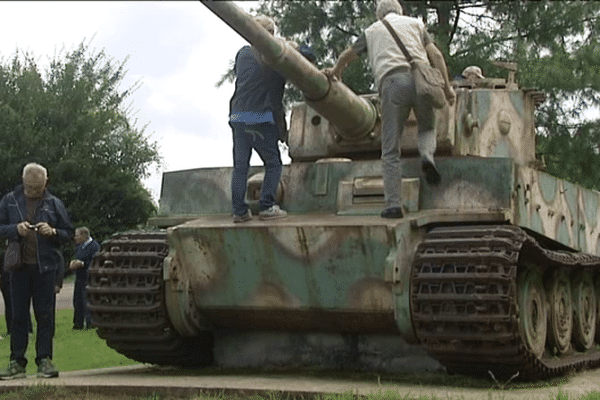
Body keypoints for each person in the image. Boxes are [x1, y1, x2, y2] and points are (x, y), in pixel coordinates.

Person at [324, 0, 456, 219]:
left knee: (390, 148)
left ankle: (394, 204)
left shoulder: (372, 30)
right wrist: (448, 88)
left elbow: (348, 55)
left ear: (379, 15)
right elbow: (437, 56)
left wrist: (337, 71)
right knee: (426, 126)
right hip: (422, 79)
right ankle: (427, 156)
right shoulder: (415, 24)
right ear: (400, 11)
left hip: (392, 82)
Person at [0, 163, 74, 379]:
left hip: (46, 267)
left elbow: (68, 232)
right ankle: (16, 361)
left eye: (38, 187)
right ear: (23, 182)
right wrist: (14, 229)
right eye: (30, 187)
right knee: (18, 315)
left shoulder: (54, 203)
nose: (34, 191)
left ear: (46, 182)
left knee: (45, 315)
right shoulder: (9, 200)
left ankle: (44, 360)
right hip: (18, 267)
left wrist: (52, 231)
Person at [229, 15, 288, 223]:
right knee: (273, 163)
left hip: (237, 115)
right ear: (270, 35)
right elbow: (276, 96)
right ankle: (267, 206)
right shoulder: (274, 59)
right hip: (260, 117)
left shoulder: (243, 54)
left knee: (241, 166)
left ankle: (239, 211)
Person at [69, 227, 100, 330]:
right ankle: (78, 323)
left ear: (84, 235)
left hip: (89, 278)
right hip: (79, 277)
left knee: (87, 301)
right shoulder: (79, 246)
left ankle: (90, 323)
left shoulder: (94, 246)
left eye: (77, 235)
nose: (75, 237)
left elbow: (95, 262)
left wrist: (82, 264)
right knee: (77, 301)